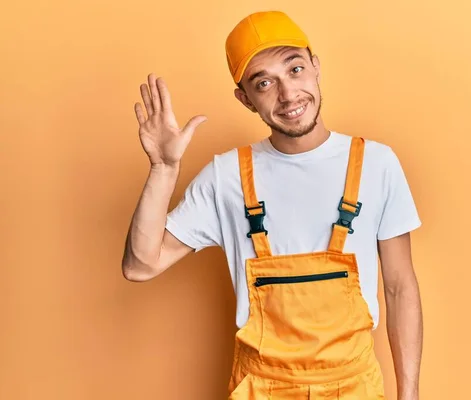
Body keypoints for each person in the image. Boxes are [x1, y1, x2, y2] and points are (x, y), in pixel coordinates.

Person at [122, 10, 423, 400]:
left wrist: (410, 393)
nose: (288, 94)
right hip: (260, 389)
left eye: (295, 69)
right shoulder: (226, 176)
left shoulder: (377, 164)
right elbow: (140, 265)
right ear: (245, 99)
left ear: (315, 66)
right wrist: (164, 169)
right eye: (264, 82)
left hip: (355, 387)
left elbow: (400, 287)